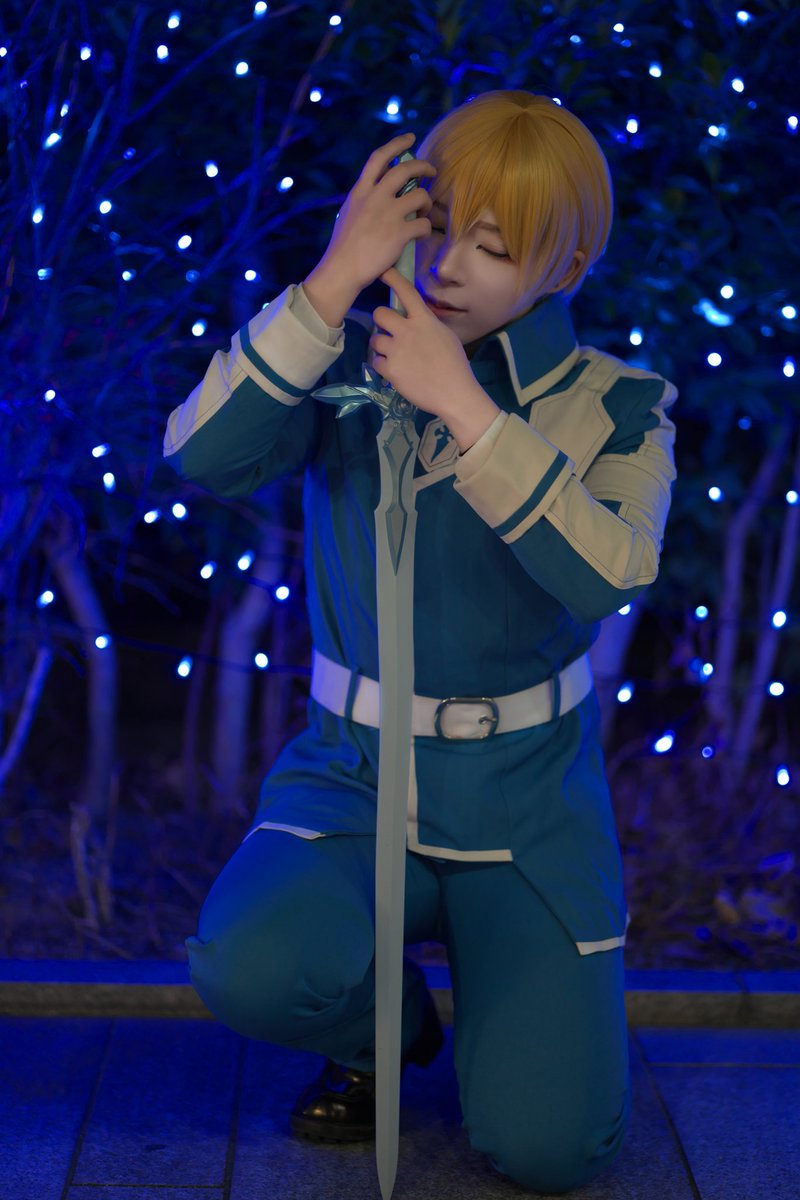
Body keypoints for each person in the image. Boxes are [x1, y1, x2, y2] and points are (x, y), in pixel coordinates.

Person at [163, 90, 677, 1194]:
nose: (447, 264)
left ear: (565, 264)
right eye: (436, 225)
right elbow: (200, 458)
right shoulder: (341, 362)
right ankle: (381, 1031)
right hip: (355, 775)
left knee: (551, 1152)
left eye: (493, 246)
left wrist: (468, 409)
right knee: (250, 961)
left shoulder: (618, 403)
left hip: (528, 806)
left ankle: (512, 1012)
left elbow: (609, 576)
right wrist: (330, 281)